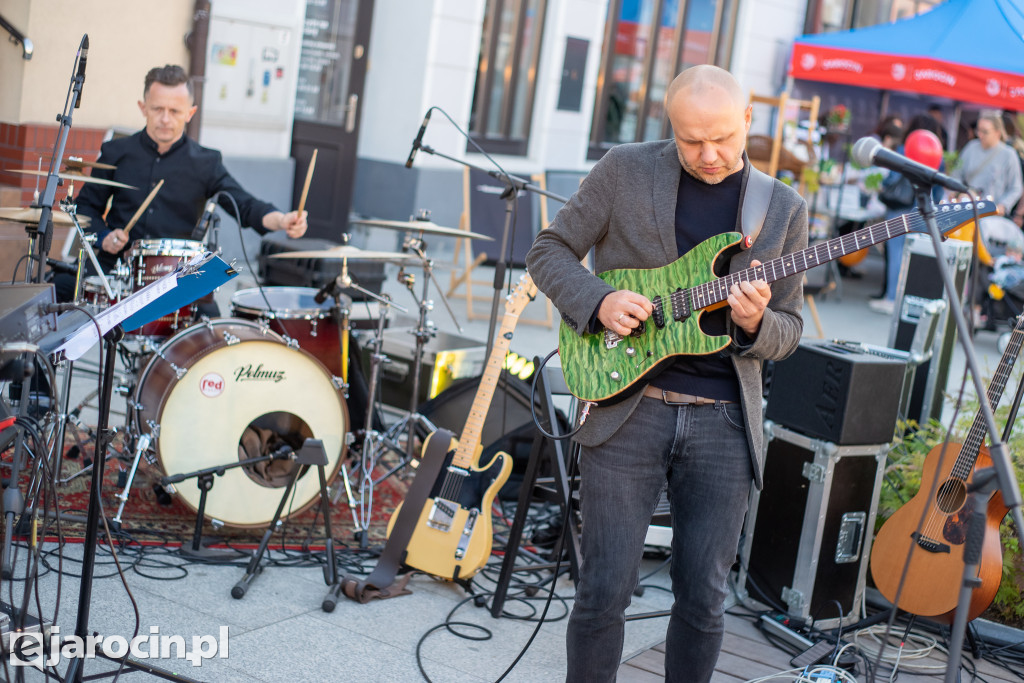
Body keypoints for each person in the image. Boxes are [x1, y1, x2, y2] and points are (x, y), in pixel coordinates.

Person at [525, 65, 807, 682]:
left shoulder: (782, 208)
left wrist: (758, 324)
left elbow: (789, 331)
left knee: (704, 601)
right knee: (603, 590)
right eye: (690, 141)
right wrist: (597, 300)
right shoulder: (625, 169)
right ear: (669, 129)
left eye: (723, 139)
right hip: (629, 404)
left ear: (748, 123)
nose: (709, 155)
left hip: (725, 420)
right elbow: (547, 250)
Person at [55, 64, 307, 303]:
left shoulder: (206, 162)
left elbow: (244, 205)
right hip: (115, 268)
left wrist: (282, 220)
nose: (165, 119)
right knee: (56, 291)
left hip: (178, 276)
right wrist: (104, 236)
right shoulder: (116, 152)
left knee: (210, 332)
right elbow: (85, 208)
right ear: (143, 108)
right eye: (157, 109)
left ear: (190, 113)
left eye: (174, 111)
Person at [869, 114, 944, 315]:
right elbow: (939, 189)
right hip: (923, 210)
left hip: (899, 209)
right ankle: (908, 301)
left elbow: (891, 179)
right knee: (914, 257)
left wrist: (882, 186)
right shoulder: (938, 154)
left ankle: (892, 298)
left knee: (896, 254)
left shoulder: (905, 149)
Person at [952, 112, 1023, 220]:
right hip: (967, 208)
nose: (980, 134)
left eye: (985, 132)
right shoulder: (971, 147)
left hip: (992, 214)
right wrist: (957, 192)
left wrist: (1003, 205)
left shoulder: (1009, 154)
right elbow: (956, 174)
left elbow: (1016, 187)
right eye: (978, 130)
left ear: (997, 133)